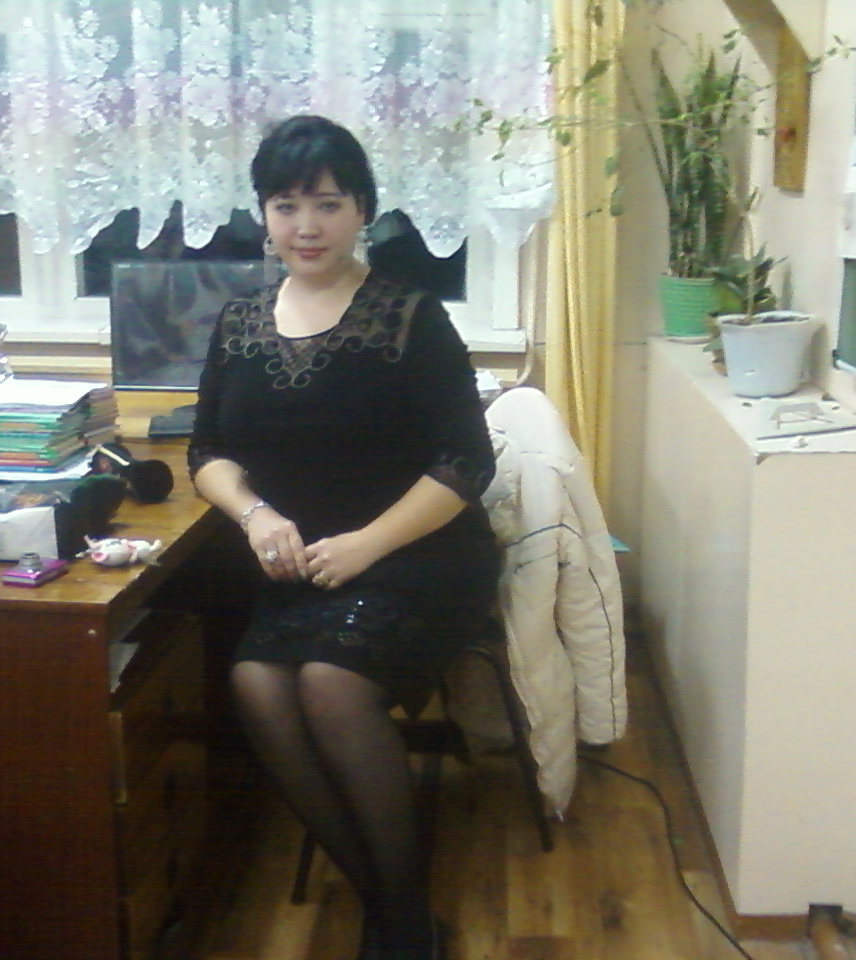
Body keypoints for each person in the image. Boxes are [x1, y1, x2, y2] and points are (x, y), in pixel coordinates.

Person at [188, 115, 501, 960]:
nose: (307, 225)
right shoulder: (240, 322)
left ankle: (399, 920)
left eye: (327, 204)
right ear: (264, 214)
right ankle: (391, 906)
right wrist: (255, 515)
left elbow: (466, 462)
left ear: (362, 209)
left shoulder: (408, 315)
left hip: (420, 555)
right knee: (256, 683)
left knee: (330, 685)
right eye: (286, 205)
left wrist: (368, 545)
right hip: (307, 565)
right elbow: (205, 453)